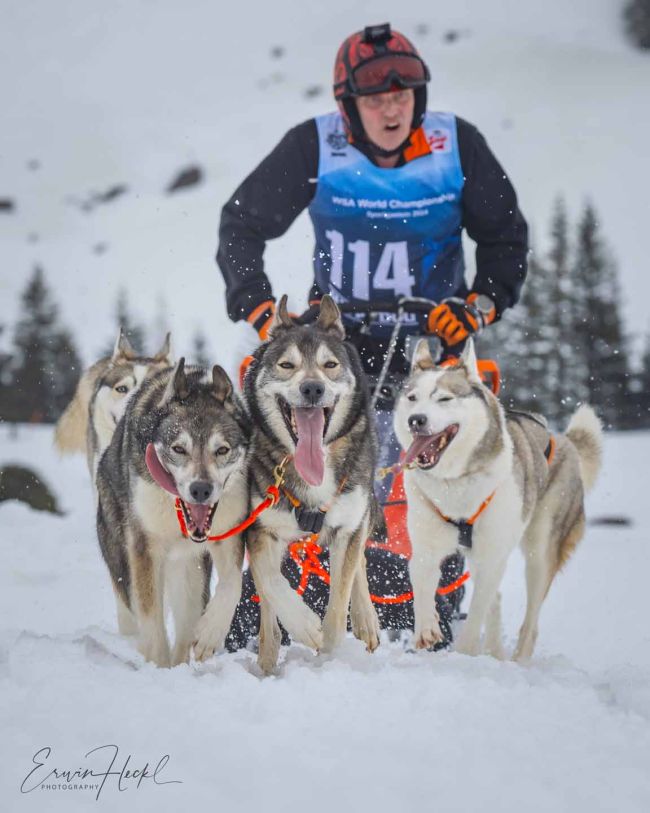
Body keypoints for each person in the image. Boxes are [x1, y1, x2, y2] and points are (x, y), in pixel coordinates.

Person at [217, 22, 528, 649]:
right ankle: (277, 592)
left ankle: (426, 604)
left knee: (426, 473)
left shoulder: (457, 145)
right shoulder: (314, 147)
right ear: (347, 106)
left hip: (432, 342)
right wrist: (261, 312)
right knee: (300, 464)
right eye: (376, 99)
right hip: (338, 343)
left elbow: (506, 239)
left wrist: (478, 307)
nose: (392, 109)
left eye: (403, 95)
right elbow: (241, 226)